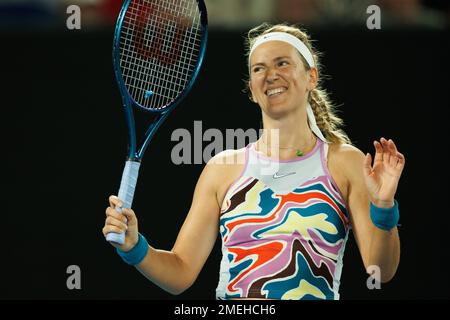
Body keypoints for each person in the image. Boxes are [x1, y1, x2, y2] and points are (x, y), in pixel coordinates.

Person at [102, 23, 405, 300]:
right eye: (259, 69)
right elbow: (180, 272)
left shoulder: (346, 161)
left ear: (311, 76)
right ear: (251, 90)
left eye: (282, 63)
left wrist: (383, 208)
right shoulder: (222, 169)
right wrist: (135, 247)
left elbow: (381, 269)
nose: (271, 75)